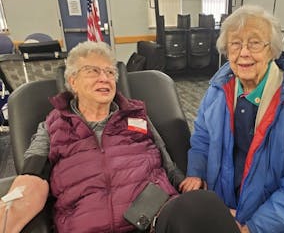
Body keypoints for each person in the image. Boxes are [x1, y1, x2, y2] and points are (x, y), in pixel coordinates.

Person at [0, 41, 240, 233]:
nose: (104, 78)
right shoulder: (53, 125)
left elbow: (168, 165)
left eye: (109, 72)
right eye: (93, 71)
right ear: (72, 81)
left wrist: (190, 190)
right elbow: (31, 176)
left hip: (153, 220)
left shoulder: (136, 116)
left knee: (205, 202)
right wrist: (11, 211)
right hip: (86, 224)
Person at [179, 5, 284, 233]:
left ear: (272, 50)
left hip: (267, 221)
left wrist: (254, 226)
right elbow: (203, 136)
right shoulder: (218, 90)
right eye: (235, 43)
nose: (243, 52)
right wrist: (196, 171)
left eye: (254, 43)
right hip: (221, 209)